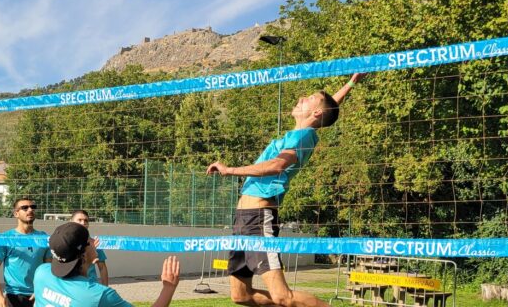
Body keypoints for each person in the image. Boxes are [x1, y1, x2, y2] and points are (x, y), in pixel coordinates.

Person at [206, 73, 363, 307]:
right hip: (243, 219)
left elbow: (277, 165)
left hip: (259, 220)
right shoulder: (300, 133)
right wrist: (352, 82)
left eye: (309, 98)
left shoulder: (304, 137)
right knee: (241, 296)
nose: (302, 98)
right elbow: (329, 107)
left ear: (316, 113)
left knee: (282, 296)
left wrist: (229, 170)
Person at [33, 222, 180, 307]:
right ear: (83, 255)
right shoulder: (98, 295)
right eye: (89, 240)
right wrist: (168, 287)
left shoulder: (41, 273)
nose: (94, 242)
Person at [0, 197, 50, 307]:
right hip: (14, 295)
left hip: (38, 294)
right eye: (25, 208)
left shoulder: (43, 238)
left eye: (33, 207)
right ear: (16, 213)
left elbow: (49, 268)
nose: (30, 210)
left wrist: (42, 289)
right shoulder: (6, 238)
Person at [69, 210, 109, 285]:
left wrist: (105, 288)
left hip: (90, 285)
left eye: (86, 221)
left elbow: (102, 267)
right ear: (71, 222)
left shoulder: (94, 243)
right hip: (71, 285)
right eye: (79, 220)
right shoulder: (64, 242)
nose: (83, 223)